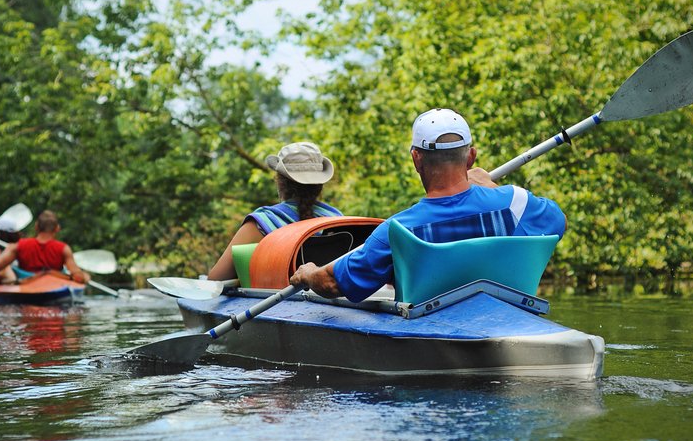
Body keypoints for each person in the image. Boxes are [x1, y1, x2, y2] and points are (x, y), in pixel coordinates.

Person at [289, 107, 567, 302]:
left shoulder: (398, 231)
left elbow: (333, 283)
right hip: (511, 319)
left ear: (416, 159)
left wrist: (309, 273)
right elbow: (558, 221)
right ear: (471, 157)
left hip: (432, 330)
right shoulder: (517, 204)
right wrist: (492, 188)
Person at [207, 142, 343, 280]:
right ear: (320, 185)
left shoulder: (262, 222)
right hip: (327, 301)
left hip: (276, 302)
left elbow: (215, 280)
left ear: (280, 182)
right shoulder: (338, 220)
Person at [0, 210, 90, 285]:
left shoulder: (19, 246)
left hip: (25, 284)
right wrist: (86, 276)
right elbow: (77, 276)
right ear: (57, 229)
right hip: (52, 285)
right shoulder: (63, 249)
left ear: (36, 227)